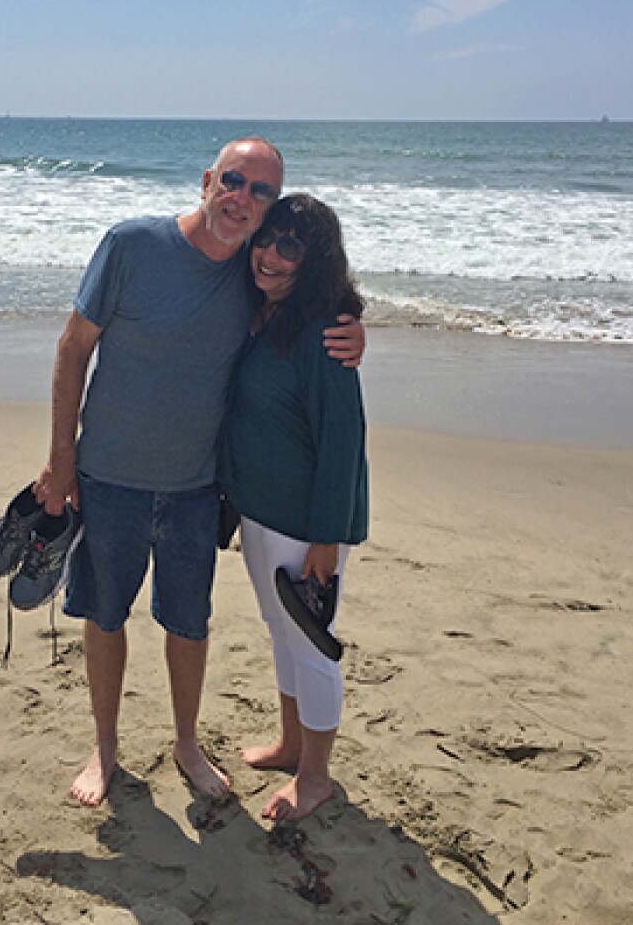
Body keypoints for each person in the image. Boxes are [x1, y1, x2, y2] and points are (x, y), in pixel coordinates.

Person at [32, 138, 365, 807]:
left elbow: (312, 287)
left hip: (195, 489)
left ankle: (187, 742)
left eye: (259, 191)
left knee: (189, 622)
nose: (242, 200)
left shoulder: (254, 269)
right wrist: (61, 456)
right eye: (233, 181)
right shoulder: (131, 245)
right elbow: (73, 347)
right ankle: (105, 747)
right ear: (208, 180)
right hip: (109, 475)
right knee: (104, 614)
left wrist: (354, 324)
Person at [217, 193, 368, 822]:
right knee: (279, 631)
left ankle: (315, 776)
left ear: (315, 262)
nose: (270, 255)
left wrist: (328, 542)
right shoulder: (265, 314)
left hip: (306, 525)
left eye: (290, 247)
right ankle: (289, 745)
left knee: (312, 643)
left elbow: (343, 442)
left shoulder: (325, 334)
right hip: (260, 512)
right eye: (266, 239)